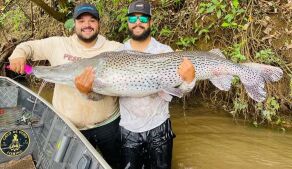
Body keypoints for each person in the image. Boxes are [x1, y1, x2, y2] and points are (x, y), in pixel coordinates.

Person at [75, 1, 196, 168]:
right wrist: (87, 91)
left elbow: (180, 92)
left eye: (143, 19)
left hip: (160, 126)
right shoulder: (116, 54)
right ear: (128, 23)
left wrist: (189, 80)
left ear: (150, 22)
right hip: (128, 130)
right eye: (132, 19)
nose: (137, 23)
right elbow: (103, 93)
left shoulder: (165, 51)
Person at [8, 3, 122, 168]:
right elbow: (29, 47)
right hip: (68, 127)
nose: (87, 25)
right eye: (81, 21)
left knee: (115, 164)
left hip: (108, 126)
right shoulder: (58, 44)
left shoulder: (115, 48)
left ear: (98, 24)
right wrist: (18, 54)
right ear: (74, 24)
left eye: (92, 20)